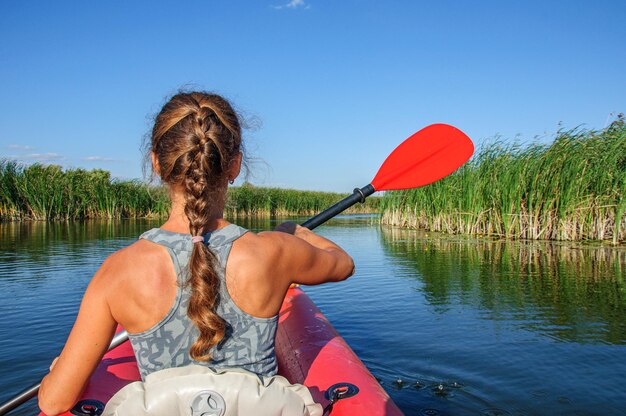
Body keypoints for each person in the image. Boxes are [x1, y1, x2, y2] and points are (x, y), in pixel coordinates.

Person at [38, 91, 354, 415]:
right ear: (235, 166)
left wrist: (57, 370)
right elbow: (343, 265)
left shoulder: (118, 272)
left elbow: (53, 402)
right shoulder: (274, 252)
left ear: (157, 164)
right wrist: (296, 233)